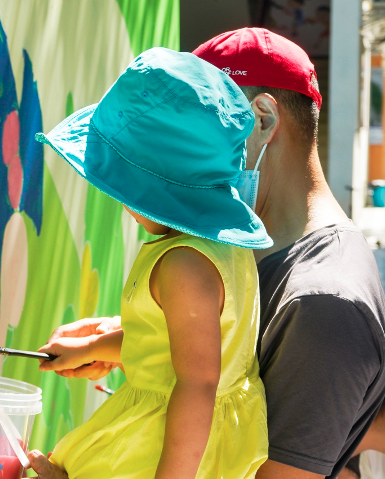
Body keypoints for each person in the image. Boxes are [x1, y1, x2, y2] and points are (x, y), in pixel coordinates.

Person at [33, 28, 385, 479]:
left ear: (261, 119)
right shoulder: (228, 248)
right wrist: (123, 341)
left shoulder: (326, 306)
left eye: (214, 112)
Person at [26, 47, 271, 479]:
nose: (122, 202)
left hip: (162, 452)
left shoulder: (183, 266)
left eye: (124, 185)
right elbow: (164, 348)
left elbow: (197, 386)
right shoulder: (218, 249)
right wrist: (89, 349)